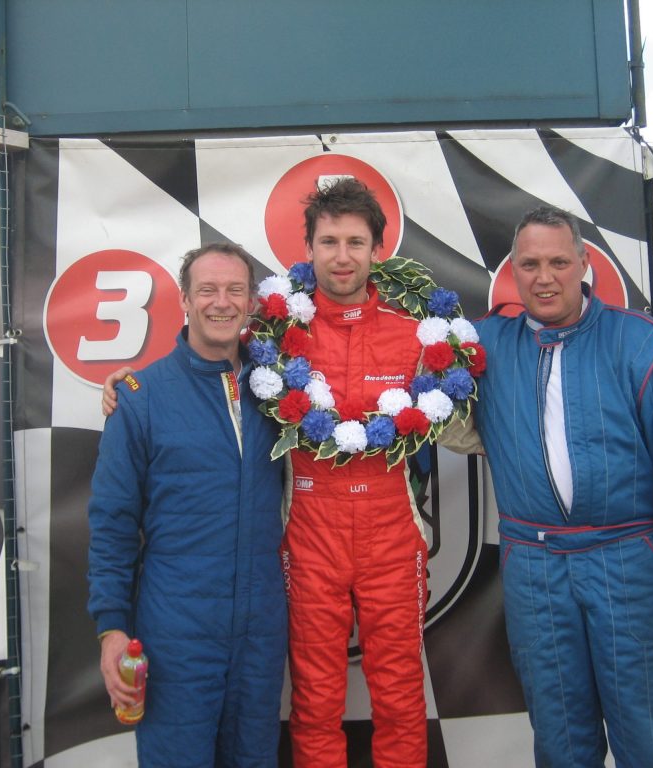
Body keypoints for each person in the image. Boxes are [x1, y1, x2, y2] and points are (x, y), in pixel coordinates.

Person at [103, 179, 478, 768]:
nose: (342, 256)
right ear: (308, 249)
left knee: (402, 698)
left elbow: (464, 426)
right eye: (329, 242)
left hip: (391, 537)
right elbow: (205, 360)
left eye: (355, 242)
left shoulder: (415, 333)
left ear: (379, 249)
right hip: (308, 538)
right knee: (315, 702)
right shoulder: (272, 336)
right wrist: (130, 387)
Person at [472, 205, 653, 767]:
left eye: (559, 262)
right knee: (561, 744)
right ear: (512, 270)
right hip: (534, 569)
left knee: (647, 742)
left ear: (585, 263)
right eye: (530, 264)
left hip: (628, 563)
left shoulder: (644, 346)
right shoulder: (480, 346)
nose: (544, 278)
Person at [87, 243, 288, 768]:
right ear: (183, 299)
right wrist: (112, 627)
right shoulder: (141, 396)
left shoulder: (283, 393)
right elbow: (112, 523)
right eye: (207, 290)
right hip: (176, 633)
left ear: (251, 302)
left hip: (261, 628)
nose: (221, 302)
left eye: (235, 290)